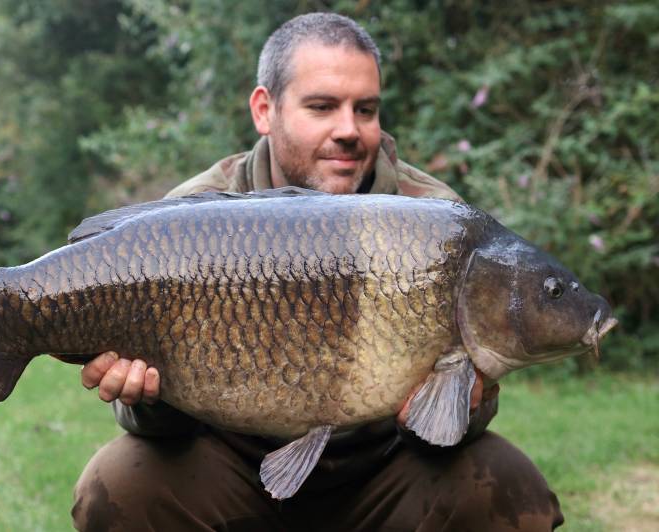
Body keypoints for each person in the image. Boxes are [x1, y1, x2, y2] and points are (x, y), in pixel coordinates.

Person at [71, 13, 563, 531]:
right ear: (266, 109)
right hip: (232, 467)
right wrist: (147, 400)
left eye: (366, 110)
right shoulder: (193, 216)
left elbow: (458, 419)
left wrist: (466, 401)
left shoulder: (439, 224)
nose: (349, 130)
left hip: (383, 471)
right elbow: (147, 425)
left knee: (507, 486)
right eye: (322, 107)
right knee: (118, 482)